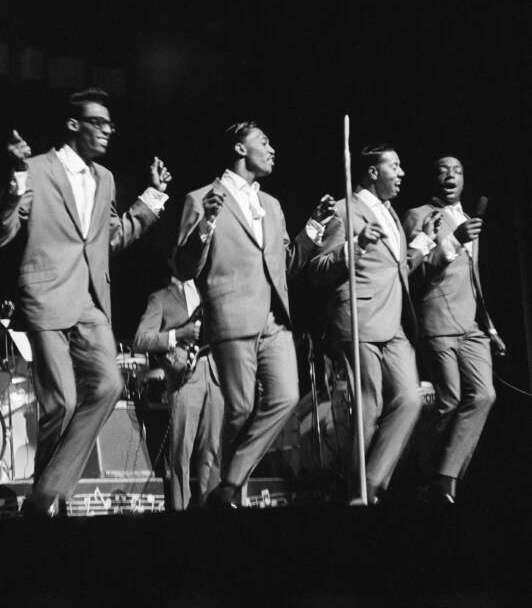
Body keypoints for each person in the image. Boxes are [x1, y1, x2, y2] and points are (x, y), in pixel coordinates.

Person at [0, 88, 172, 516]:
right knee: (62, 403)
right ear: (74, 125)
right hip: (46, 294)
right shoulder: (36, 169)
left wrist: (152, 198)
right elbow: (2, 233)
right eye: (99, 123)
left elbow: (109, 239)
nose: (109, 131)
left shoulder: (104, 179)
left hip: (92, 301)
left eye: (111, 124)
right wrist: (16, 178)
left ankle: (44, 494)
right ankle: (50, 498)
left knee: (110, 386)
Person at [174, 121, 335, 509]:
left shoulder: (273, 206)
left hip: (274, 319)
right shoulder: (201, 198)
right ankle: (217, 490)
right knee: (241, 408)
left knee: (285, 398)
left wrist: (313, 226)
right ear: (240, 148)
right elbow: (183, 267)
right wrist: (207, 224)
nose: (272, 149)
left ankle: (226, 487)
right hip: (231, 316)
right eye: (264, 141)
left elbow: (287, 263)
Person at [310, 143, 439, 504]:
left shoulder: (391, 215)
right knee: (368, 407)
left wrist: (424, 241)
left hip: (395, 321)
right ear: (371, 172)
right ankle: (360, 495)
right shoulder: (343, 210)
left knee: (411, 399)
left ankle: (370, 480)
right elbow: (318, 270)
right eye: (394, 166)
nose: (402, 174)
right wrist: (354, 245)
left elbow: (397, 270)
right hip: (359, 319)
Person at [402, 156, 504, 503]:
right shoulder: (418, 216)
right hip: (438, 321)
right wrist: (452, 241)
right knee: (449, 402)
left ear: (464, 180)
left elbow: (473, 279)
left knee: (485, 395)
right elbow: (412, 273)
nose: (450, 175)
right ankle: (430, 478)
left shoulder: (467, 218)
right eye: (443, 169)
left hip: (472, 324)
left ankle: (444, 478)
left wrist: (489, 326)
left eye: (458, 170)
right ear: (434, 178)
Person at [133, 271, 222, 510]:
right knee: (180, 454)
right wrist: (178, 334)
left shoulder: (213, 285)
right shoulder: (161, 298)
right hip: (185, 377)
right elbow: (141, 340)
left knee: (213, 453)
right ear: (173, 258)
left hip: (216, 373)